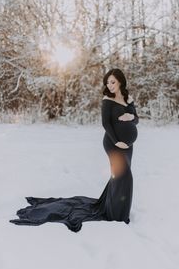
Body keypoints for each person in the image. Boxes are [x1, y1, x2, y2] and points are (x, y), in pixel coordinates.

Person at [9, 68, 139, 232]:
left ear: (120, 81)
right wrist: (117, 142)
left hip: (128, 147)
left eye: (112, 82)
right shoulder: (107, 100)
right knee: (124, 176)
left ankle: (113, 208)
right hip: (113, 144)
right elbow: (106, 124)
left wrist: (131, 117)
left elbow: (136, 119)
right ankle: (118, 215)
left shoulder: (128, 99)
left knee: (118, 178)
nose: (110, 85)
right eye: (107, 82)